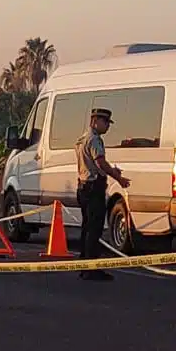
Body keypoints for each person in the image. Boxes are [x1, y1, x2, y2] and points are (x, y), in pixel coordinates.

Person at [74, 106, 131, 282]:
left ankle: (83, 264)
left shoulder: (82, 138)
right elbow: (100, 162)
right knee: (94, 229)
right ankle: (91, 268)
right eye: (105, 122)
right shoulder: (94, 140)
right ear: (95, 121)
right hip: (93, 188)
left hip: (83, 186)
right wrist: (118, 177)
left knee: (87, 227)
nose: (107, 126)